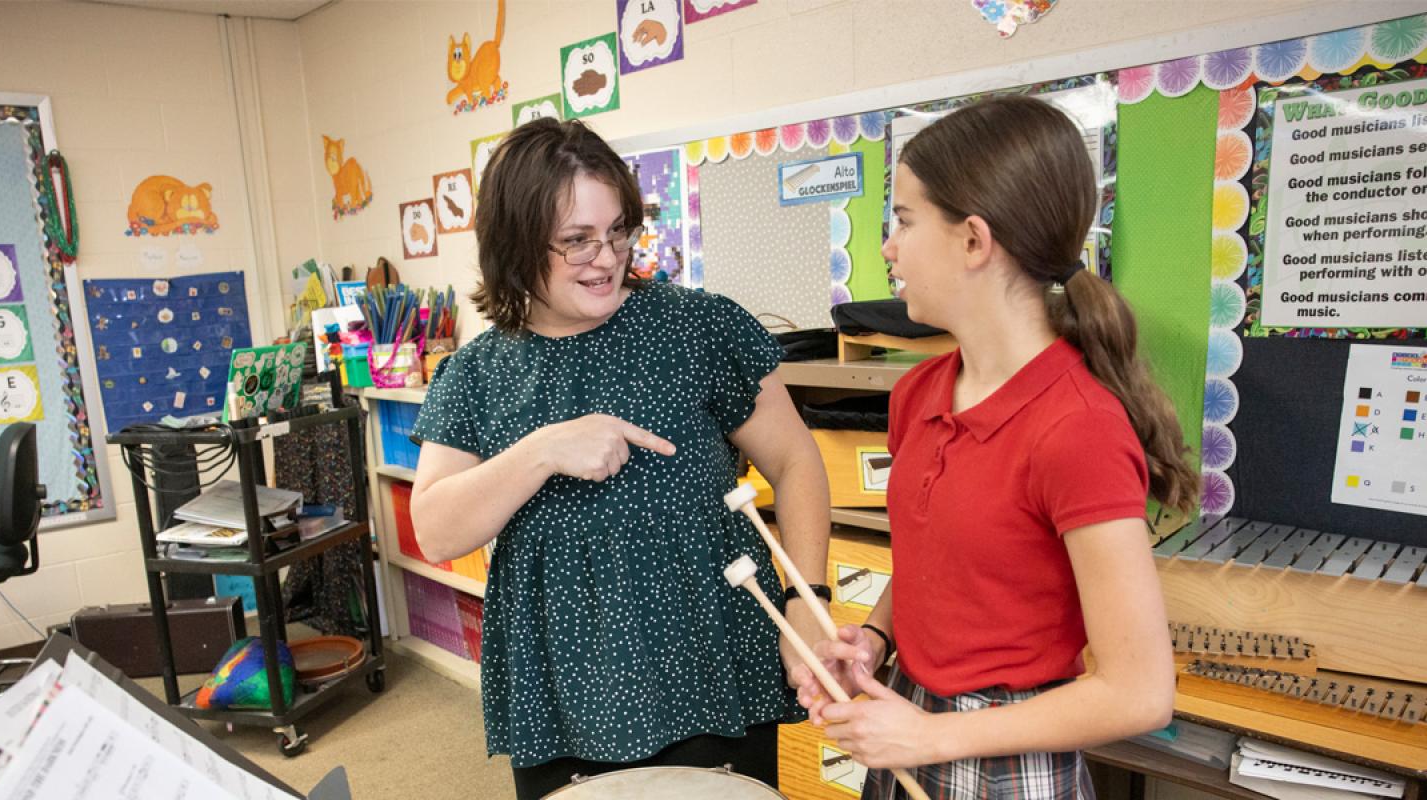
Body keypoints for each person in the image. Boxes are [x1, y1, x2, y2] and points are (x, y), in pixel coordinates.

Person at [409, 117, 834, 800]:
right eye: (576, 241)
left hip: (711, 663)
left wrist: (809, 598)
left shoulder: (699, 328)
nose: (606, 258)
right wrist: (543, 450)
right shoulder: (477, 373)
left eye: (618, 231)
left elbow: (796, 462)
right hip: (567, 693)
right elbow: (435, 529)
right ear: (517, 244)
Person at [795, 95, 1195, 799]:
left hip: (1007, 754)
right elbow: (938, 563)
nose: (888, 247)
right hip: (909, 720)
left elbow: (1139, 693)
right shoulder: (920, 392)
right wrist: (877, 640)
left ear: (975, 241)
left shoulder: (1077, 427)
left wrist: (934, 735)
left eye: (905, 222)